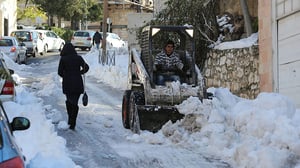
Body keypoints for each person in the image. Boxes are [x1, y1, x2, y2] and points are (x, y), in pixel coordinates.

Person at [58, 43, 89, 130]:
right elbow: (86, 67)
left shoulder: (63, 59)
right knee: (75, 102)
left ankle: (70, 119)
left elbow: (59, 72)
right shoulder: (78, 58)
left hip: (67, 83)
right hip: (77, 83)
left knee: (69, 101)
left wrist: (66, 75)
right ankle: (73, 121)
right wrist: (80, 73)